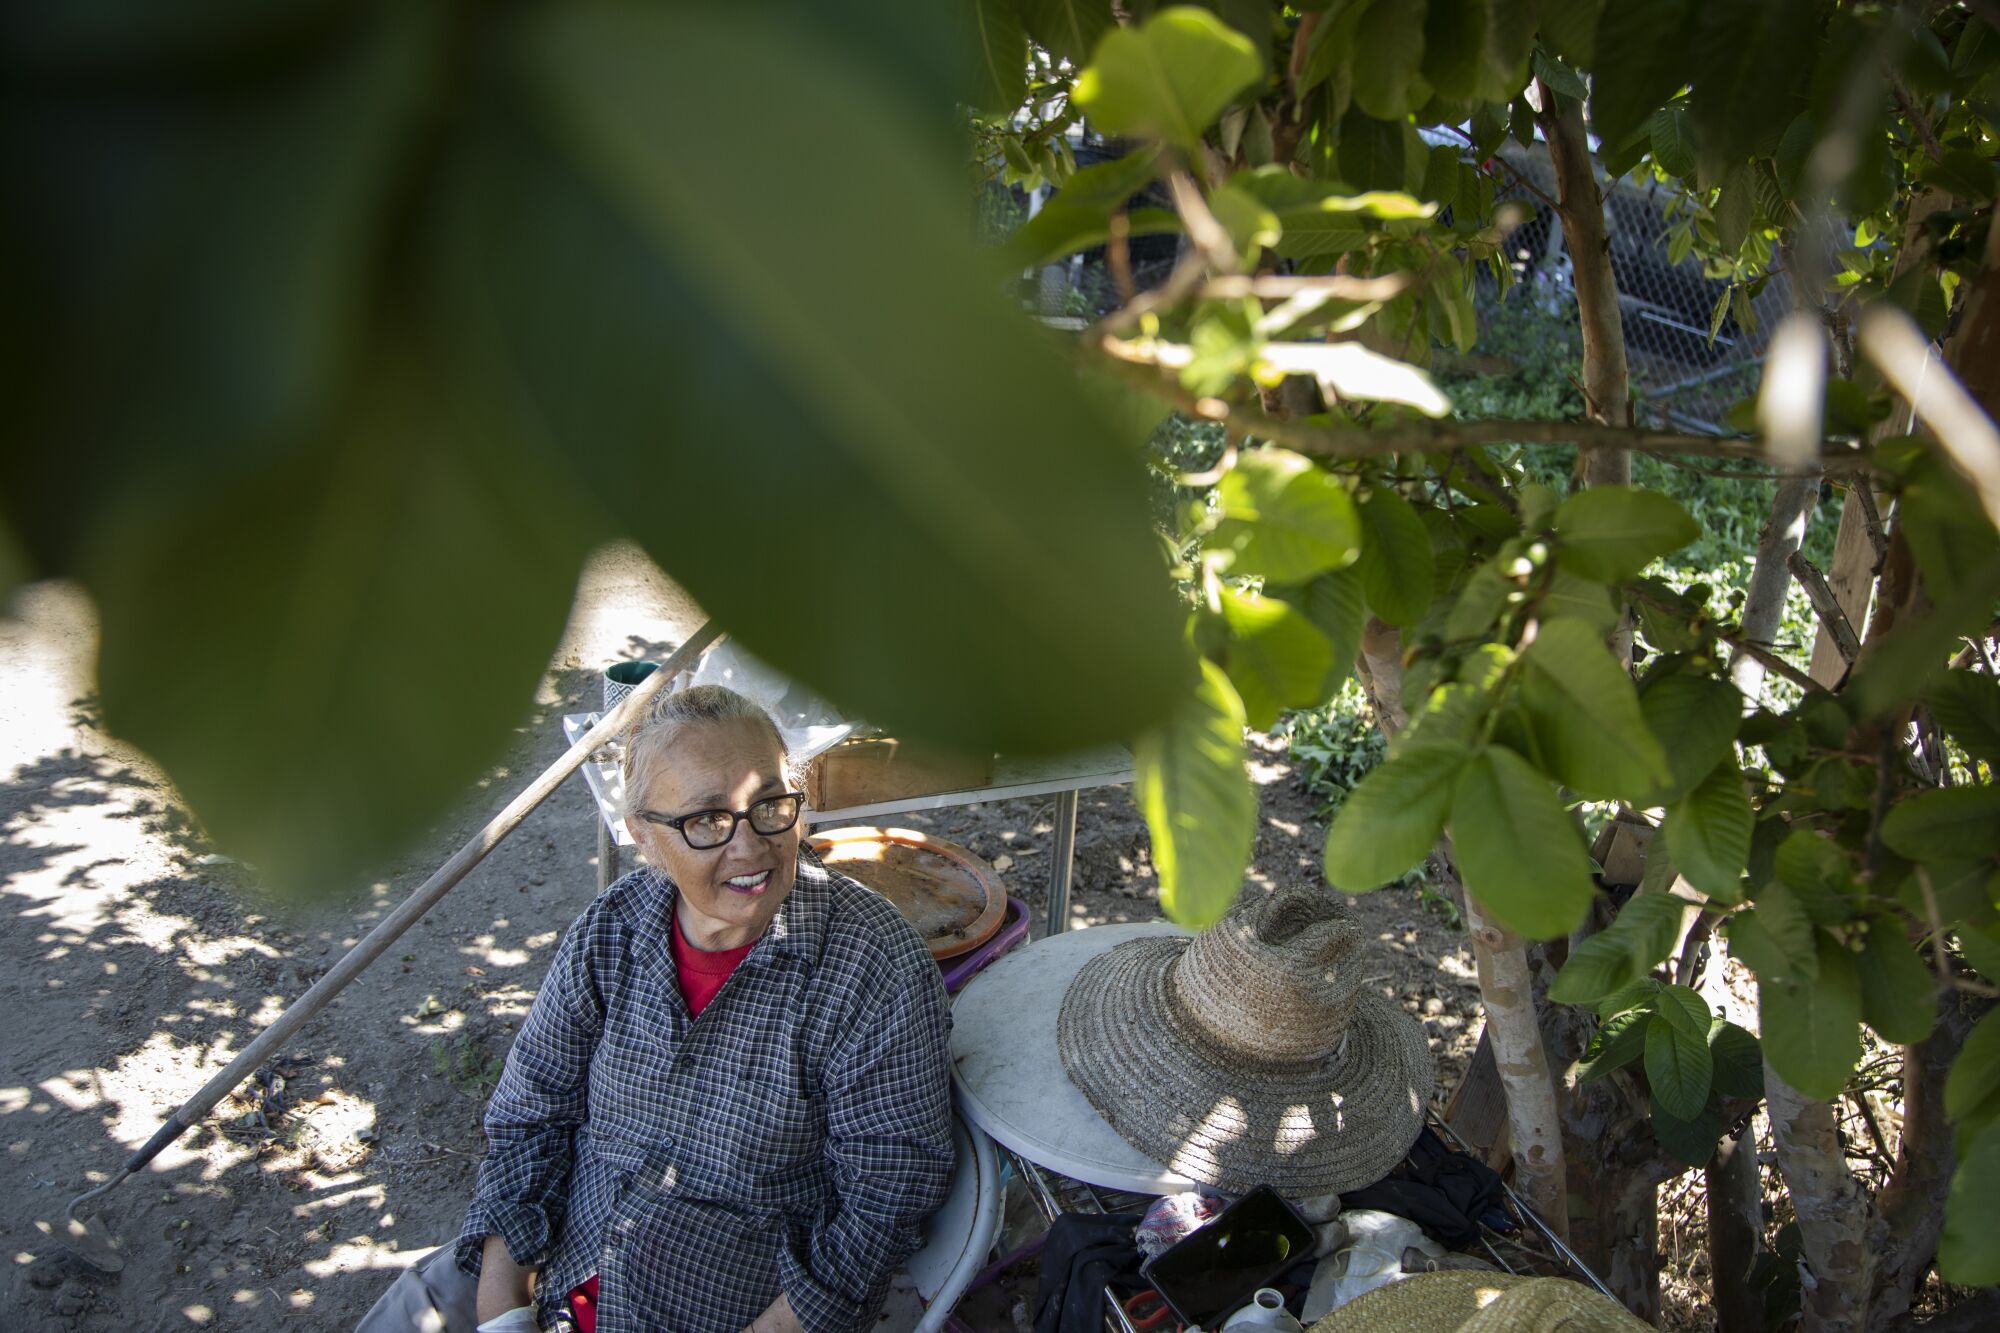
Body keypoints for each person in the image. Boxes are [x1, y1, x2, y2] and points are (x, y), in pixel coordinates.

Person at [365, 684, 954, 1333]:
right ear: (644, 836)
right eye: (706, 820)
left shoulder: (871, 965)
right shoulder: (610, 933)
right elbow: (530, 1120)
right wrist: (505, 1309)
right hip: (559, 1269)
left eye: (771, 806)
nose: (751, 847)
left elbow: (884, 1207)